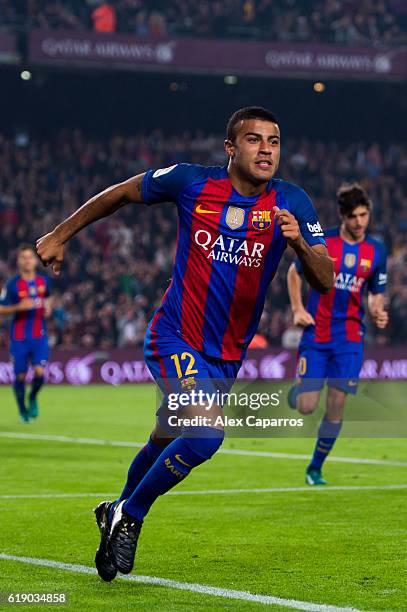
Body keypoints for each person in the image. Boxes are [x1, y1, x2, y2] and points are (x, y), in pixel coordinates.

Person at [36, 106, 333, 581]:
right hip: (175, 334)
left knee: (168, 436)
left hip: (226, 356)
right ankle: (130, 515)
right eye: (254, 140)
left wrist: (299, 243)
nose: (266, 150)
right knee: (204, 435)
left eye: (274, 141)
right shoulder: (192, 182)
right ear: (231, 148)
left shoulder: (293, 202)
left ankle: (113, 509)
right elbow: (121, 193)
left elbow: (324, 280)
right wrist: (60, 233)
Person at [287, 182, 388, 485]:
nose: (360, 222)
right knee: (306, 407)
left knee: (336, 405)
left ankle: (315, 467)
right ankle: (299, 389)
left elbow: (376, 292)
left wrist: (377, 310)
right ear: (343, 216)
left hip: (350, 338)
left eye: (364, 215)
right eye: (354, 216)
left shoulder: (376, 250)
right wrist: (297, 309)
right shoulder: (324, 241)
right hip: (317, 334)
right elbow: (295, 272)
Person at [0, 244, 52, 421]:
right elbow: (1, 308)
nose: (27, 261)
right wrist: (17, 307)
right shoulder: (12, 284)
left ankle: (32, 397)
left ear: (36, 261)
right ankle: (22, 409)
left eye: (30, 257)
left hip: (39, 336)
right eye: (24, 257)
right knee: (20, 375)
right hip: (19, 337)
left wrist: (48, 309)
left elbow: (48, 299)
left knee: (39, 373)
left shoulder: (43, 281)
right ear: (18, 261)